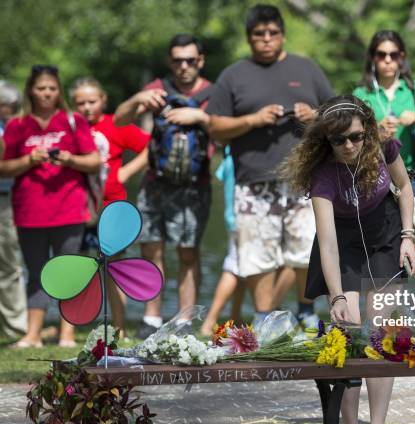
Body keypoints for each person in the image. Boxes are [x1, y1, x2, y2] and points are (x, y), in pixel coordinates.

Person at [282, 95, 415, 424]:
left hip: (387, 236)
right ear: (325, 141)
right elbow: (327, 244)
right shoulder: (323, 175)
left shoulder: (384, 147)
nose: (348, 146)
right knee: (348, 330)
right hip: (343, 243)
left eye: (355, 137)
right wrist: (337, 295)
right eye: (338, 140)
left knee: (382, 333)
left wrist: (408, 238)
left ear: (367, 132)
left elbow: (404, 187)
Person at [207, 4, 334, 326]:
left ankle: (307, 313)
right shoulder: (233, 75)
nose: (266, 40)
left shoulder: (306, 69)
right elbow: (215, 127)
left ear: (282, 35)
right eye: (258, 34)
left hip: (304, 180)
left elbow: (337, 116)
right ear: (249, 38)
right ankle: (265, 322)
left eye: (272, 33)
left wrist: (314, 116)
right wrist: (252, 119)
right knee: (256, 258)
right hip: (253, 183)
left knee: (308, 249)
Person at [115, 34, 213, 339]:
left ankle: (185, 321)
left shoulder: (213, 92)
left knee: (188, 252)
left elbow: (226, 131)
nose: (184, 66)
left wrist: (202, 116)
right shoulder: (156, 89)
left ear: (200, 61)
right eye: (177, 60)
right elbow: (119, 119)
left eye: (190, 60)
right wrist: (137, 101)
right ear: (170, 62)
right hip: (155, 184)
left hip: (194, 187)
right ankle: (152, 317)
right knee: (151, 249)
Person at [0, 65, 101, 347]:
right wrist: (30, 160)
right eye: (41, 88)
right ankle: (33, 334)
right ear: (31, 90)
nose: (46, 93)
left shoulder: (73, 120)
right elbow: (4, 168)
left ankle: (66, 333)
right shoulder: (18, 126)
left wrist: (69, 159)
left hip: (69, 209)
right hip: (29, 212)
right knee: (36, 273)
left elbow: (94, 161)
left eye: (52, 88)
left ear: (59, 92)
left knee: (68, 271)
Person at [353, 30, 415, 289]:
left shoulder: (414, 89)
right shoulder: (362, 93)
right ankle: (386, 323)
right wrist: (376, 129)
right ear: (373, 58)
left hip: (410, 180)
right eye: (382, 55)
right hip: (373, 180)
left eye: (394, 54)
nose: (388, 60)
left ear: (402, 58)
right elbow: (348, 138)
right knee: (379, 250)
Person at [71, 77, 150, 336]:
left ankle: (119, 329)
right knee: (78, 266)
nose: (86, 107)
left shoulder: (116, 124)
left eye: (92, 101)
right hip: (78, 208)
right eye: (80, 103)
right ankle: (69, 330)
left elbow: (150, 147)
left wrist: (126, 171)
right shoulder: (70, 126)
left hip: (112, 208)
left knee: (113, 267)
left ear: (103, 100)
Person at [200, 147, 247, 336]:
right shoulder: (243, 155)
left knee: (243, 267)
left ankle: (234, 317)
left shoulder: (230, 153)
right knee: (233, 266)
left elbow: (221, 175)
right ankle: (210, 320)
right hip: (242, 217)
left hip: (233, 216)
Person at [0, 80, 27, 338]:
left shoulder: (14, 128)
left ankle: (16, 328)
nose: (11, 110)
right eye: (8, 106)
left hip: (9, 198)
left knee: (9, 264)